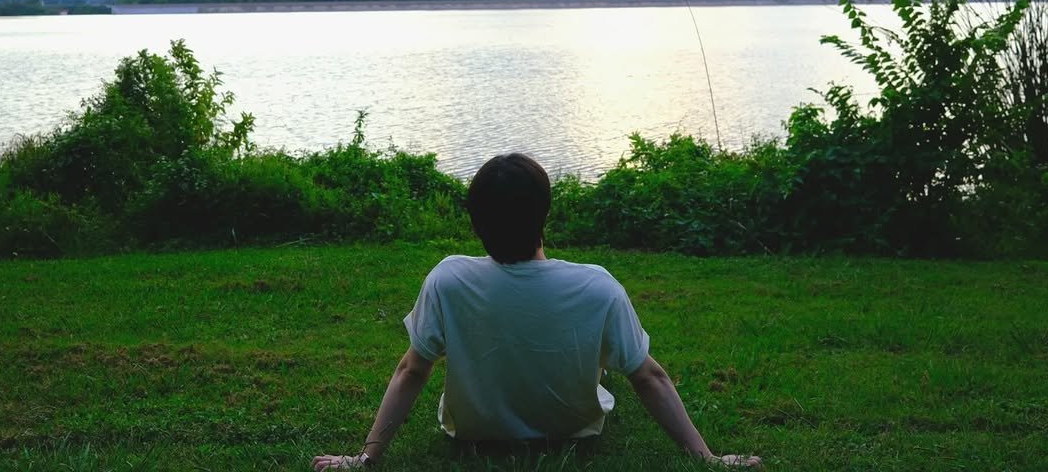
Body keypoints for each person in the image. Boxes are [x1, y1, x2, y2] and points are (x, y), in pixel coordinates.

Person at [312, 153, 762, 469]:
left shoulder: (448, 280)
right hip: (572, 433)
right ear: (545, 212)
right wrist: (709, 459)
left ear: (476, 221)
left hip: (474, 436)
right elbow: (649, 376)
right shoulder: (596, 285)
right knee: (605, 367)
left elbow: (413, 370)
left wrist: (365, 457)